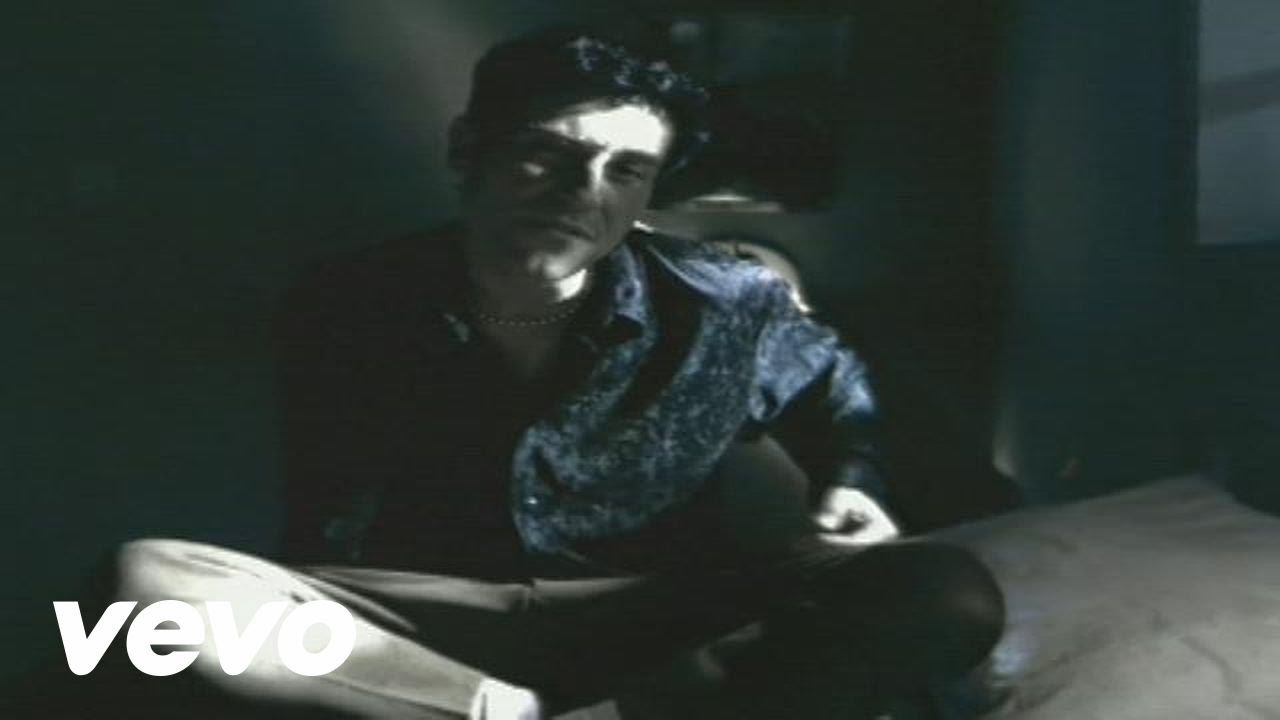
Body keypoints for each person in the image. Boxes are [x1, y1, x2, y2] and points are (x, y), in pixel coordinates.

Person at [91, 25, 1004, 719]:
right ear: (468, 151)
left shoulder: (727, 303)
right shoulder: (350, 297)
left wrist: (854, 479)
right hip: (409, 628)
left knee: (947, 595)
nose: (584, 193)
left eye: (625, 172)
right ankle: (503, 714)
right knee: (141, 594)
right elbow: (325, 525)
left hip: (651, 614)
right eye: (548, 156)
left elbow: (846, 399)